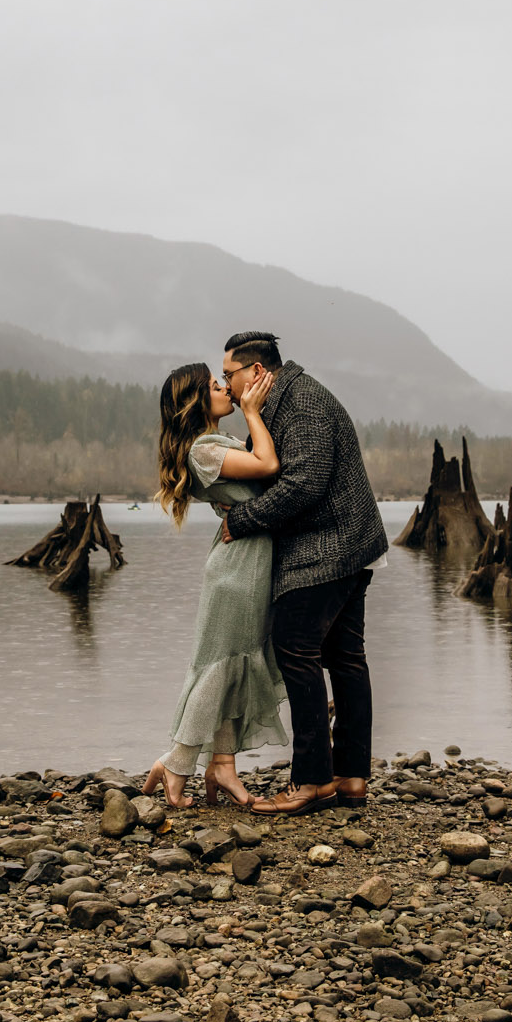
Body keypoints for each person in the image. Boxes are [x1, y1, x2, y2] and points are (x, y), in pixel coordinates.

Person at [218, 332, 388, 816]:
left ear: (255, 372)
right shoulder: (285, 399)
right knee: (345, 657)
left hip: (330, 549)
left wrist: (242, 520)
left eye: (229, 375)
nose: (227, 386)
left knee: (297, 650)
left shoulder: (304, 401)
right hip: (346, 545)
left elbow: (304, 483)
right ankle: (350, 776)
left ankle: (312, 780)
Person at [144, 360, 288, 808]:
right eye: (215, 384)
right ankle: (177, 762)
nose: (226, 387)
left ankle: (222, 766)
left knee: (234, 665)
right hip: (235, 571)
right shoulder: (202, 449)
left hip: (248, 562)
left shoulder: (214, 442)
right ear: (196, 401)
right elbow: (268, 464)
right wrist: (252, 410)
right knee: (220, 666)